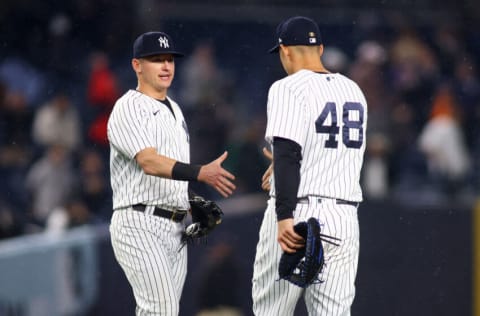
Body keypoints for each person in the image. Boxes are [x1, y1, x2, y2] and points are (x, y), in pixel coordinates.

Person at [107, 31, 236, 315]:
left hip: (175, 227)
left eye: (169, 59)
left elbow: (168, 169)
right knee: (161, 309)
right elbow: (149, 162)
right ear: (137, 65)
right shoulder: (128, 106)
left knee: (162, 311)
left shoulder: (176, 109)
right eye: (156, 60)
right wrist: (200, 173)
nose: (166, 66)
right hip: (139, 222)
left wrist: (189, 199)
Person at [252, 16, 368, 315]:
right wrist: (279, 165)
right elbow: (330, 150)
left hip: (299, 214)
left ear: (285, 51)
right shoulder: (353, 90)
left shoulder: (288, 87)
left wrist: (284, 215)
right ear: (321, 49)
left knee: (271, 311)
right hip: (343, 217)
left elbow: (289, 153)